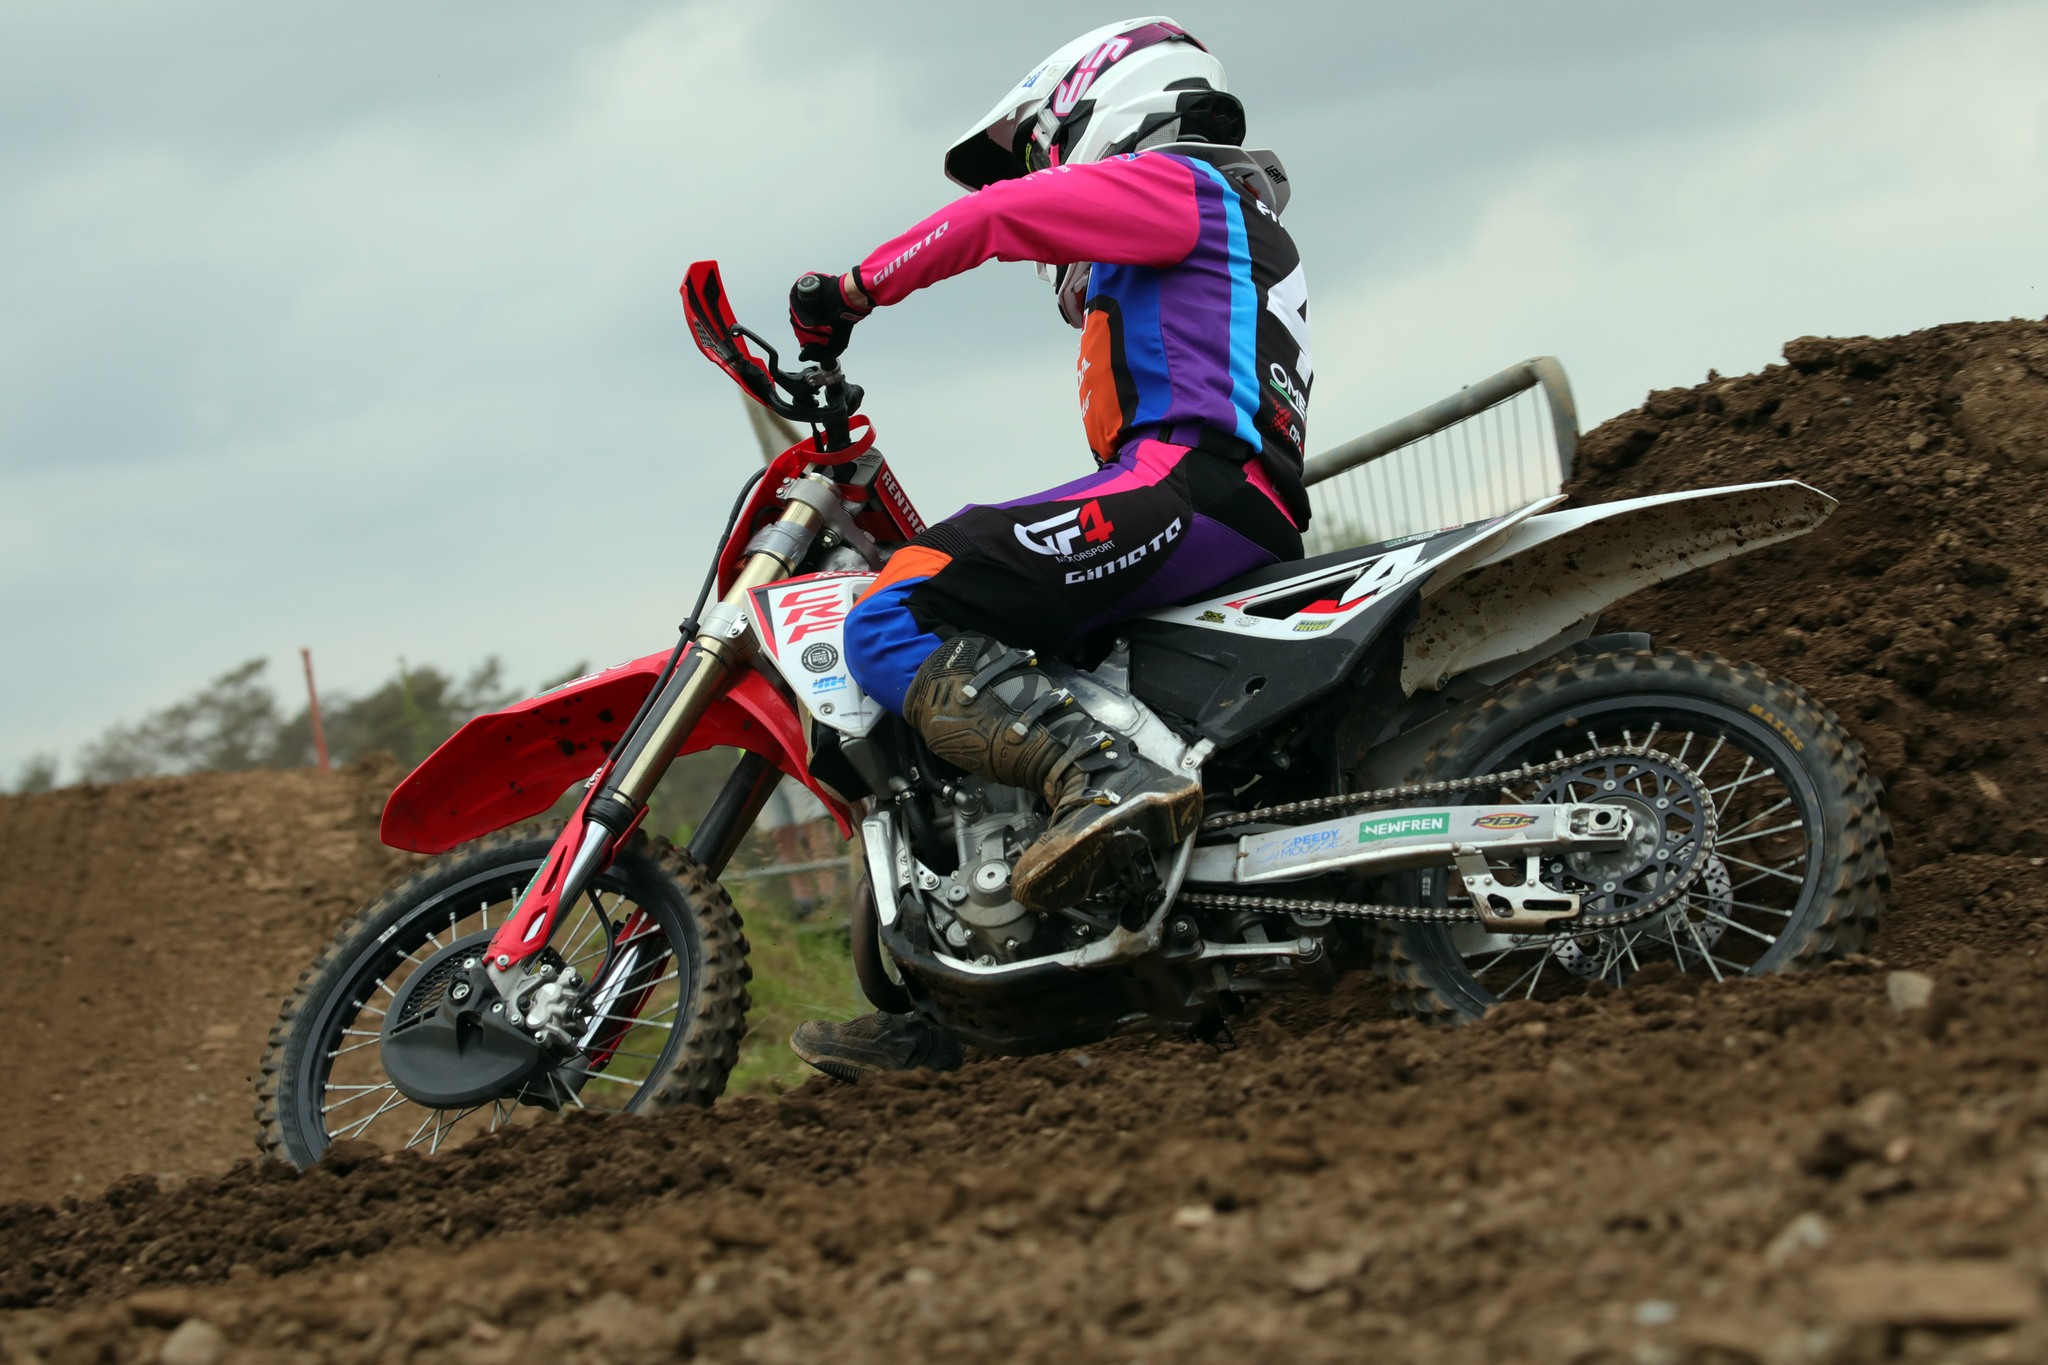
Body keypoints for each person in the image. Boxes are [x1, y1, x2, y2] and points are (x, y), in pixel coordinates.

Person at [786, 16, 1312, 1081]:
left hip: (1188, 483)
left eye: (1047, 145)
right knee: (981, 649)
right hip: (1204, 493)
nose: (1044, 170)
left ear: (1106, 107)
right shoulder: (1215, 215)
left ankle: (1102, 779)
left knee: (894, 612)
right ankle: (972, 999)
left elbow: (998, 217)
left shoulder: (1184, 184)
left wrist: (853, 290)